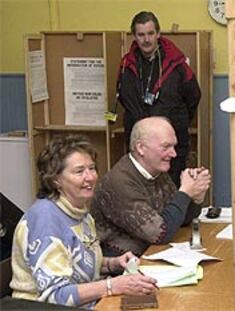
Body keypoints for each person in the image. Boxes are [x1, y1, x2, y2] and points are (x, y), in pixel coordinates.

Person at [10, 135, 158, 309]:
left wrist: (113, 263)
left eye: (92, 168)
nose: (90, 177)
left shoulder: (79, 211)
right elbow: (54, 295)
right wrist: (112, 286)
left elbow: (74, 263)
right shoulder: (46, 220)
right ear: (55, 179)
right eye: (79, 171)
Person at [91, 116, 210, 257]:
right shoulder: (120, 181)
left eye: (174, 146)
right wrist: (184, 192)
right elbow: (160, 234)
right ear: (141, 148)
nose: (174, 154)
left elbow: (180, 220)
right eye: (166, 147)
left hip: (151, 253)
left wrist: (196, 195)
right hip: (121, 264)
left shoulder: (157, 171)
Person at [118, 11, 201, 188]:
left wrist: (176, 120)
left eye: (150, 33)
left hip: (170, 143)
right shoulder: (127, 64)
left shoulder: (176, 63)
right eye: (141, 34)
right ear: (134, 36)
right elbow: (124, 97)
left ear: (158, 34)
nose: (146, 39)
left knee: (172, 191)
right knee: (139, 190)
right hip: (140, 145)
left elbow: (194, 96)